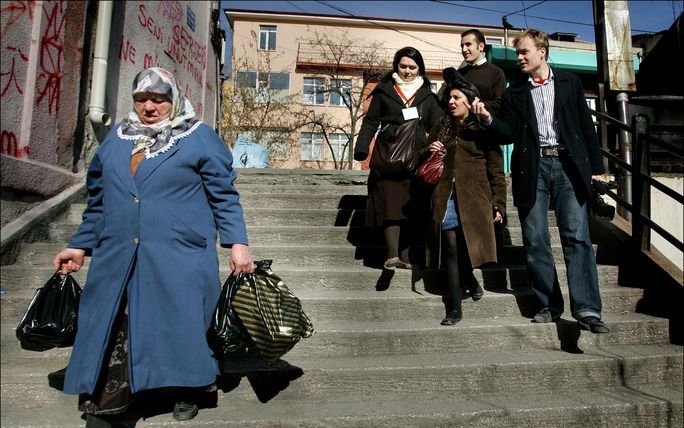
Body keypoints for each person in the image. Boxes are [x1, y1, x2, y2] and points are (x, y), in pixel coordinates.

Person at [52, 67, 255, 426]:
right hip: (119, 251)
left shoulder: (198, 137)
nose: (149, 106)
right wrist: (80, 246)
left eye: (158, 99)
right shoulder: (117, 138)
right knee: (117, 320)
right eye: (141, 99)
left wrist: (237, 243)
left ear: (173, 99)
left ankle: (192, 388)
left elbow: (224, 197)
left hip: (179, 250)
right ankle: (110, 396)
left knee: (181, 322)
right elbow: (98, 201)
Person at [470, 29, 610, 334]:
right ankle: (549, 304)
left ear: (541, 52)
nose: (519, 58)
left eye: (524, 52)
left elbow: (586, 128)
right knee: (535, 240)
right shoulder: (515, 92)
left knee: (577, 237)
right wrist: (488, 120)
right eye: (518, 53)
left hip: (569, 167)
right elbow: (508, 134)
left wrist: (597, 168)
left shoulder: (569, 82)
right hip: (532, 169)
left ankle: (587, 308)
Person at [425, 79, 506, 325]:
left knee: (464, 246)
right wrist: (431, 147)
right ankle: (455, 307)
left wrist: (499, 204)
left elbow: (496, 169)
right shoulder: (443, 125)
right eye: (449, 98)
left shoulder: (483, 128)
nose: (451, 102)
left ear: (470, 102)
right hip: (446, 193)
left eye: (457, 98)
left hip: (474, 196)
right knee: (450, 244)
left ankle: (469, 280)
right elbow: (423, 150)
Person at [354, 46, 442, 270]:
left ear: (419, 69)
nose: (407, 71)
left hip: (418, 159)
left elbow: (437, 127)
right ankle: (392, 255)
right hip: (388, 158)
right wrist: (362, 148)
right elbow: (371, 122)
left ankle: (407, 257)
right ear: (396, 67)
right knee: (391, 204)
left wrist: (438, 148)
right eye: (403, 66)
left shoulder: (428, 96)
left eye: (412, 67)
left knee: (411, 208)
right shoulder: (384, 91)